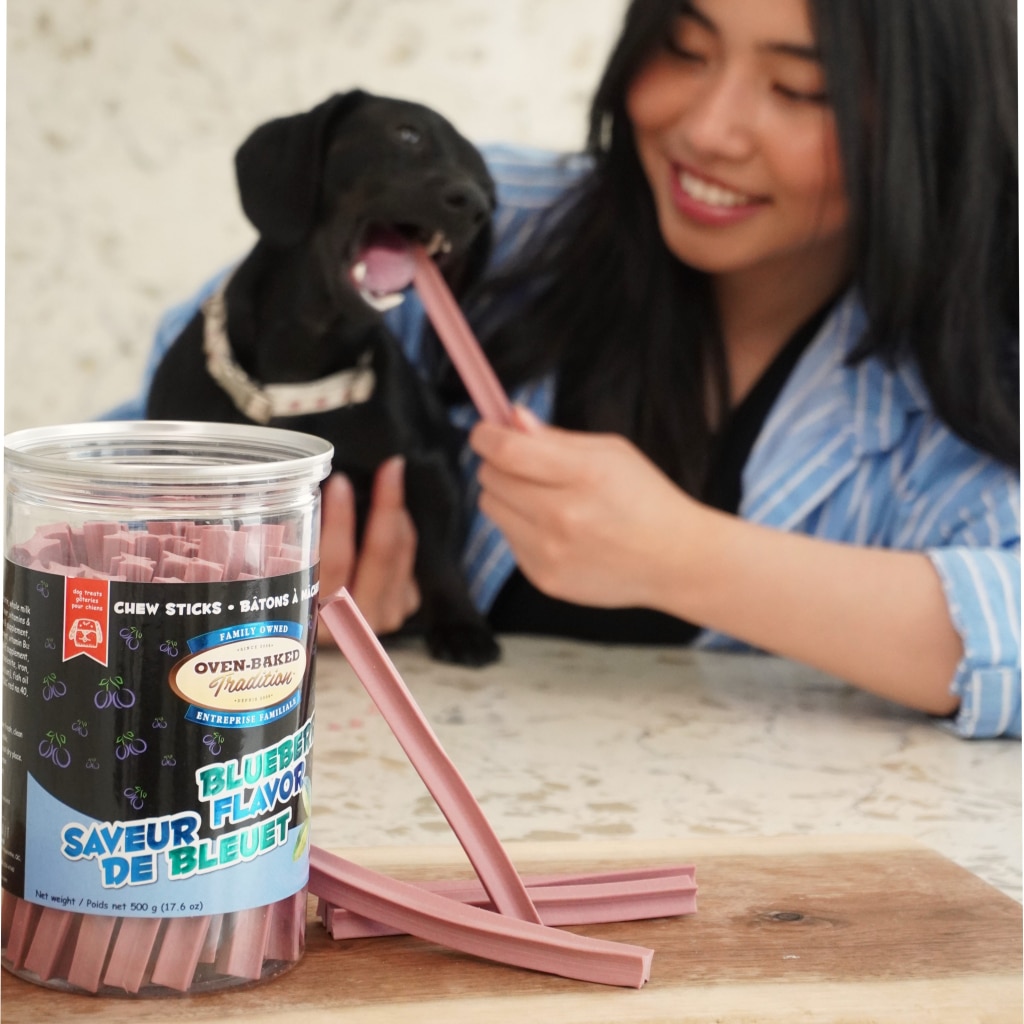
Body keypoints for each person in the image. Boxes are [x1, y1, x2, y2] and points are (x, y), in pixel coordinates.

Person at [111, 0, 1020, 738]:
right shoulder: (479, 227)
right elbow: (135, 450)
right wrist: (222, 583)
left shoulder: (968, 362)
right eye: (682, 48)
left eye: (799, 88)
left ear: (928, 118)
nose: (709, 130)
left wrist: (684, 557)